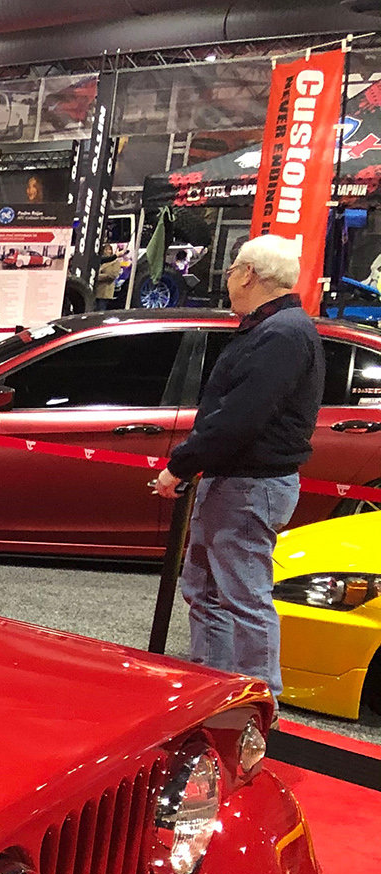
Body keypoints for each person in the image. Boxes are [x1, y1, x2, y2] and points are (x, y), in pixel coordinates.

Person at [152, 235, 323, 695]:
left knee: (242, 598)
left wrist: (181, 465)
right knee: (206, 591)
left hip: (250, 486)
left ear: (249, 273)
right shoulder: (275, 327)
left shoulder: (282, 333)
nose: (227, 277)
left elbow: (240, 417)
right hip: (237, 482)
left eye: (231, 269)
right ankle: (215, 691)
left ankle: (258, 704)